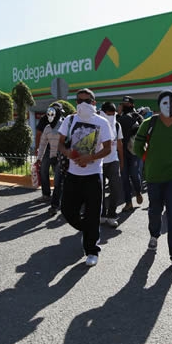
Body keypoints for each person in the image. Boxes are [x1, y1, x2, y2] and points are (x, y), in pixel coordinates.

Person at [133, 90, 172, 273]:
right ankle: (154, 234)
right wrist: (147, 159)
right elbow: (137, 146)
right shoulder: (148, 124)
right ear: (159, 105)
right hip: (154, 177)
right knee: (154, 211)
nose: (170, 107)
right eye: (166, 103)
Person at [57, 88, 112, 267]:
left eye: (86, 101)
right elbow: (60, 144)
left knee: (93, 213)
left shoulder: (102, 122)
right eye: (79, 101)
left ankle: (92, 250)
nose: (83, 104)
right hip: (73, 174)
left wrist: (90, 158)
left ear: (94, 103)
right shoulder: (70, 119)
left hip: (93, 175)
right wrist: (69, 154)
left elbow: (107, 149)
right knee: (67, 210)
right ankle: (87, 229)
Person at [35, 102, 65, 216]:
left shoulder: (64, 125)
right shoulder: (47, 128)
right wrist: (39, 157)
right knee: (58, 181)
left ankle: (54, 206)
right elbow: (43, 144)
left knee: (58, 182)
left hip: (63, 157)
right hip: (52, 156)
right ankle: (54, 201)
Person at [117, 96, 144, 212]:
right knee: (124, 177)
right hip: (122, 151)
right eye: (123, 104)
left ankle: (138, 191)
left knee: (134, 175)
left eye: (126, 104)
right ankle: (128, 203)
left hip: (133, 151)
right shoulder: (119, 118)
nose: (124, 106)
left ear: (132, 105)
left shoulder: (137, 117)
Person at [100, 102, 124, 228]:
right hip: (99, 162)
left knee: (115, 188)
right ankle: (102, 214)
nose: (110, 117)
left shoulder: (117, 125)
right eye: (108, 115)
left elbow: (119, 144)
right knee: (101, 190)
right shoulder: (97, 124)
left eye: (112, 115)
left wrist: (122, 162)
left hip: (113, 160)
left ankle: (112, 214)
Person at [34, 111, 52, 202]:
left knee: (44, 171)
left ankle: (46, 195)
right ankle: (59, 196)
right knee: (60, 173)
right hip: (57, 149)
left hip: (46, 149)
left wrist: (37, 148)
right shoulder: (63, 119)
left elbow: (38, 134)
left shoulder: (44, 118)